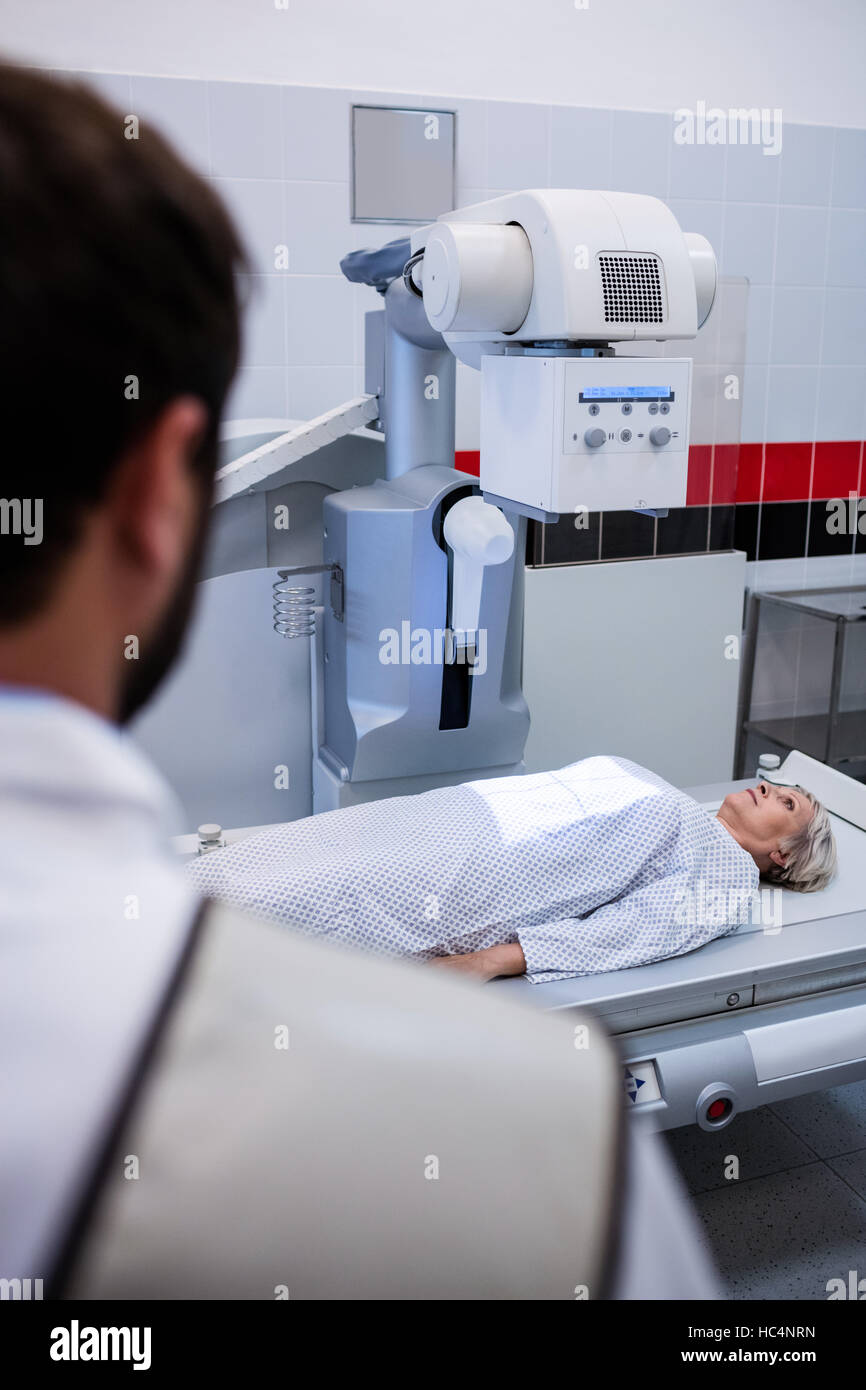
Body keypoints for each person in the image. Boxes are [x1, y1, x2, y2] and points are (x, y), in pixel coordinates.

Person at [0, 64, 718, 1300]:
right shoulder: (549, 1154)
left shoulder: (684, 843)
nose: (772, 801)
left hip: (467, 842)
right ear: (157, 496)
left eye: (789, 817)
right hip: (442, 842)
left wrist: (502, 956)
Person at [187, 757, 836, 983]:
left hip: (476, 870)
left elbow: (637, 931)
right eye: (776, 786)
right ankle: (165, 907)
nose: (765, 788)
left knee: (309, 891)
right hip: (454, 816)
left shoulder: (723, 876)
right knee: (313, 840)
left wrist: (491, 961)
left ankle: (164, 942)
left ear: (781, 855)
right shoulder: (683, 806)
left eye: (786, 803)